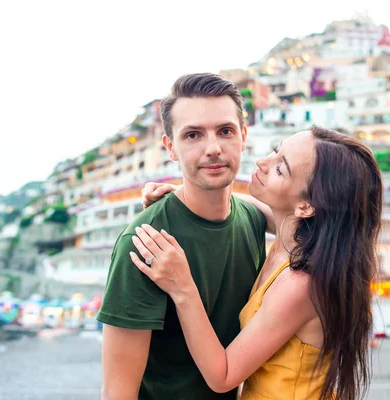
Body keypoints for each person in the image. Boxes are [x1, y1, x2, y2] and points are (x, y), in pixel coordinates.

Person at [135, 125, 383, 400]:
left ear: (305, 207)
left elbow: (224, 375)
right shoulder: (292, 236)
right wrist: (182, 196)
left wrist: (182, 287)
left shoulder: (300, 283)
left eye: (280, 168)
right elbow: (235, 204)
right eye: (276, 150)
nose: (263, 162)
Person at [97, 72, 275, 400]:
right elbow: (117, 392)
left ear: (243, 136)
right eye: (193, 135)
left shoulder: (252, 219)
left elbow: (316, 217)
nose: (213, 149)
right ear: (171, 147)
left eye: (225, 131)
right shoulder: (144, 242)